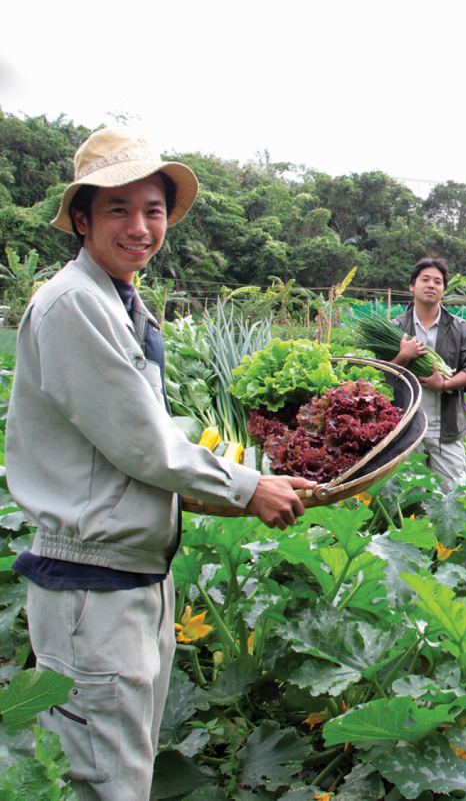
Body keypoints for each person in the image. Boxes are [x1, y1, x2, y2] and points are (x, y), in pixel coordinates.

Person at [5, 128, 314, 800]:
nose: (140, 227)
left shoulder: (117, 301)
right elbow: (144, 443)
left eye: (152, 210)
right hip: (91, 584)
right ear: (81, 219)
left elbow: (141, 442)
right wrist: (246, 486)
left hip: (133, 575)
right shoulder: (72, 305)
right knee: (103, 783)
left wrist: (240, 474)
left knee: (123, 771)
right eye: (118, 209)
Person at [391, 257, 466, 487]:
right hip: (405, 430)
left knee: (455, 494)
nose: (431, 285)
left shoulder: (460, 328)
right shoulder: (394, 328)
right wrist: (403, 357)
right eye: (425, 280)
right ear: (412, 286)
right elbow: (380, 375)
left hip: (446, 430)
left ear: (443, 289)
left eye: (438, 281)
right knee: (408, 499)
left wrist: (444, 384)